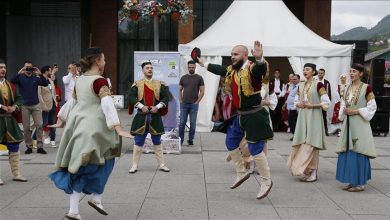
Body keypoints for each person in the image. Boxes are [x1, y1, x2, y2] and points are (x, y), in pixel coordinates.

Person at [49, 47, 131, 220]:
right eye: (103, 59)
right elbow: (107, 103)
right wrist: (117, 126)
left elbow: (72, 102)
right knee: (105, 161)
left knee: (79, 168)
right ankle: (96, 197)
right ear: (97, 61)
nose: (105, 62)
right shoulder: (100, 81)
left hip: (78, 127)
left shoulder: (79, 80)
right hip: (96, 129)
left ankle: (75, 210)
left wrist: (61, 118)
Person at [198, 41, 274, 200]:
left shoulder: (252, 67)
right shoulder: (232, 70)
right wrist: (203, 63)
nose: (232, 57)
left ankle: (266, 181)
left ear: (245, 55)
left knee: (256, 149)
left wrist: (259, 59)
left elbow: (261, 70)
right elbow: (220, 70)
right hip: (240, 115)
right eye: (231, 54)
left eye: (235, 54)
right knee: (231, 142)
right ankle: (241, 171)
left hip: (255, 115)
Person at [336, 63, 377, 192]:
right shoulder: (347, 88)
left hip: (360, 123)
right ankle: (351, 180)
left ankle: (360, 183)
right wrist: (342, 113)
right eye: (350, 71)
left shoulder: (367, 88)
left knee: (359, 150)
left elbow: (372, 106)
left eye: (354, 71)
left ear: (361, 74)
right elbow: (343, 103)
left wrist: (356, 111)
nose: (351, 73)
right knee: (348, 150)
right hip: (348, 124)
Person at [287, 63, 330, 182]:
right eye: (304, 69)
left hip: (314, 116)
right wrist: (299, 104)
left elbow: (326, 102)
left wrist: (312, 105)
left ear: (314, 72)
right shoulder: (301, 86)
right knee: (302, 142)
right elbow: (296, 101)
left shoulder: (319, 85)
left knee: (313, 144)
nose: (305, 71)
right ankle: (307, 170)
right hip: (303, 116)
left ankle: (314, 173)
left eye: (307, 69)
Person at [128, 61, 170, 174]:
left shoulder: (160, 84)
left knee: (157, 141)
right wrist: (141, 106)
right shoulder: (137, 84)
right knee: (138, 141)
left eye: (151, 68)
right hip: (141, 118)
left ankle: (162, 164)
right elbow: (130, 97)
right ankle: (134, 165)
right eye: (147, 68)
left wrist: (158, 106)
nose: (150, 69)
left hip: (155, 118)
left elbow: (166, 97)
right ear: (143, 70)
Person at [11, 60, 48, 154]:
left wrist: (40, 74)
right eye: (27, 67)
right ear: (24, 67)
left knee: (39, 125)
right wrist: (20, 71)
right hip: (24, 106)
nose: (28, 69)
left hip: (36, 105)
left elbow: (45, 83)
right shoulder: (20, 77)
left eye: (30, 67)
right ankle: (29, 147)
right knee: (26, 127)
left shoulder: (36, 77)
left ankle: (40, 146)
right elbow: (11, 81)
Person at [0, 59, 28, 185]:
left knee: (14, 146)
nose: (3, 70)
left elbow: (19, 98)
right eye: (0, 67)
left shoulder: (10, 85)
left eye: (4, 67)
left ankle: (16, 173)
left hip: (9, 120)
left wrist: (14, 107)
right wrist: (1, 106)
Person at [179, 60, 205, 145]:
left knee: (193, 124)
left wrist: (197, 102)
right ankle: (180, 140)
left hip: (194, 105)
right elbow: (179, 90)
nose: (191, 68)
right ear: (187, 67)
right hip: (184, 104)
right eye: (189, 67)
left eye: (192, 67)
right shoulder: (183, 78)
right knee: (182, 123)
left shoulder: (199, 78)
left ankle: (190, 140)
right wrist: (180, 100)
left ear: (195, 67)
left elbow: (202, 91)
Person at [32, 66, 56, 147]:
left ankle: (53, 140)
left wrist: (55, 101)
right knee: (43, 124)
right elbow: (39, 95)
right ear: (46, 71)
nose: (51, 72)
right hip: (44, 106)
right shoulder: (39, 79)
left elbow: (53, 92)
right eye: (50, 70)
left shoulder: (50, 80)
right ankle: (34, 138)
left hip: (52, 104)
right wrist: (43, 106)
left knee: (52, 123)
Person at [283, 74, 300, 141]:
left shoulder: (299, 87)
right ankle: (295, 135)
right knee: (292, 121)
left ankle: (296, 136)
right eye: (292, 79)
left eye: (295, 79)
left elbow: (298, 97)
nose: (293, 80)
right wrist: (285, 104)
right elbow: (290, 96)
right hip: (290, 106)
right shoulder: (292, 86)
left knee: (292, 121)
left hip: (295, 107)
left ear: (298, 79)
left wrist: (296, 105)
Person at [318, 68, 332, 136]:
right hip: (316, 102)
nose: (320, 74)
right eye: (319, 73)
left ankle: (325, 131)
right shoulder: (315, 81)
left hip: (323, 102)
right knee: (316, 116)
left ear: (324, 74)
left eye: (321, 73)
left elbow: (329, 92)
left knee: (324, 116)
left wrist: (328, 102)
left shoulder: (326, 82)